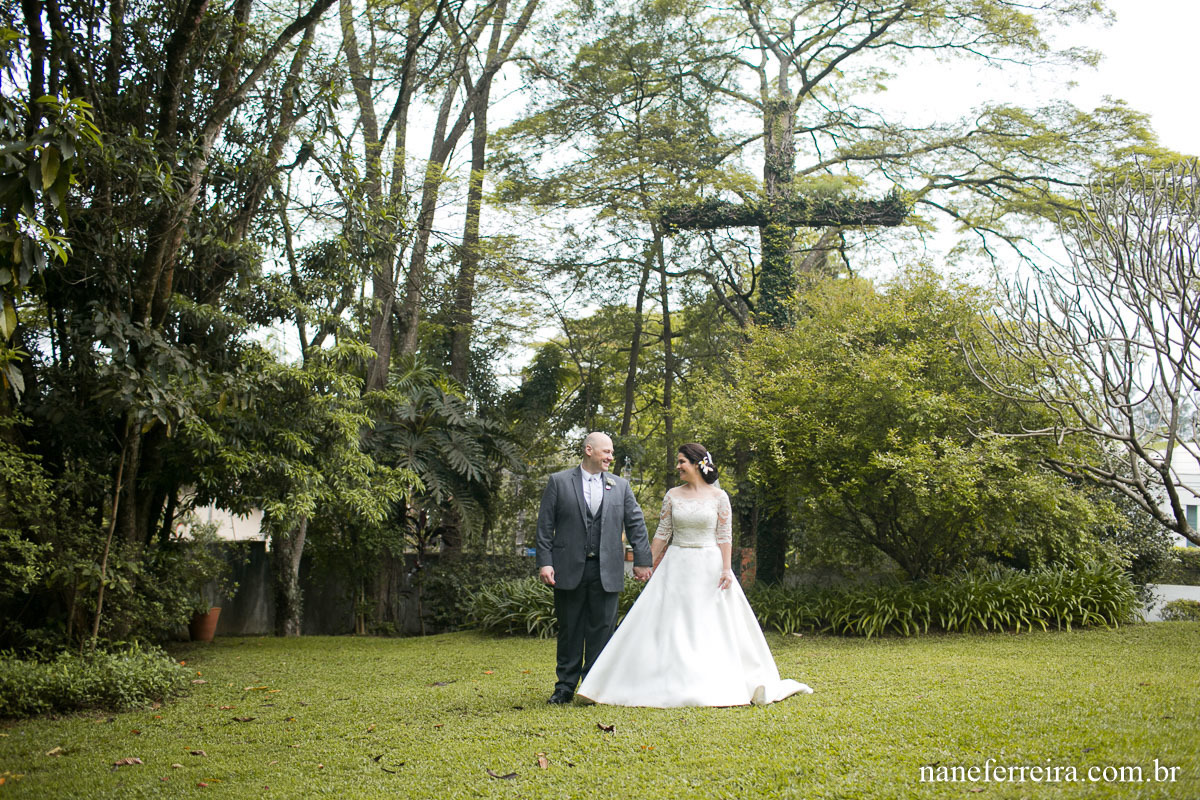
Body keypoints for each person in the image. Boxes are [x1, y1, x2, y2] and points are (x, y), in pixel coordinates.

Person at [576, 443, 813, 707]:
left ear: (698, 464)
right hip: (676, 565)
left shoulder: (719, 497)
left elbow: (724, 535)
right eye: (677, 462)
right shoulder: (672, 495)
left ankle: (709, 680)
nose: (677, 467)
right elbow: (663, 533)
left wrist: (726, 568)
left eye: (682, 462)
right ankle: (654, 679)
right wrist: (647, 563)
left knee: (709, 623)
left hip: (709, 566)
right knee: (669, 624)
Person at [536, 432, 653, 704]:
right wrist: (545, 561)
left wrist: (643, 561)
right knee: (570, 630)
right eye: (607, 452)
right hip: (568, 569)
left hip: (607, 570)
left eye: (611, 453)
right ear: (589, 450)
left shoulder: (621, 486)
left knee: (602, 630)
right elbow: (544, 526)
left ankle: (593, 687)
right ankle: (564, 687)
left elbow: (636, 524)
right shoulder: (559, 482)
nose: (611, 457)